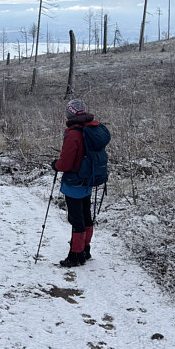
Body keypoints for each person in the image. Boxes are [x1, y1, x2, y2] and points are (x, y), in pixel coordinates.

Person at [51, 99, 102, 267]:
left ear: (70, 113)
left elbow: (65, 164)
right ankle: (85, 250)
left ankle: (75, 255)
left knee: (76, 219)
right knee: (86, 215)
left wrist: (55, 165)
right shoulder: (90, 129)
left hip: (74, 182)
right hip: (88, 180)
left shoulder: (73, 133)